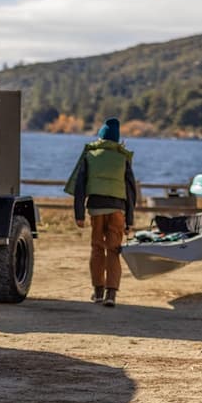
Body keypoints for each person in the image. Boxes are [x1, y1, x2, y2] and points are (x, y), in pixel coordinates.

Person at [64, 118, 137, 307]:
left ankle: (98, 292)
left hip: (96, 209)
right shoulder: (123, 158)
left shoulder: (90, 155)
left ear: (101, 137)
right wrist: (130, 220)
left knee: (97, 248)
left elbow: (80, 187)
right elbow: (130, 191)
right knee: (114, 250)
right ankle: (111, 294)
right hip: (118, 209)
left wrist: (79, 214)